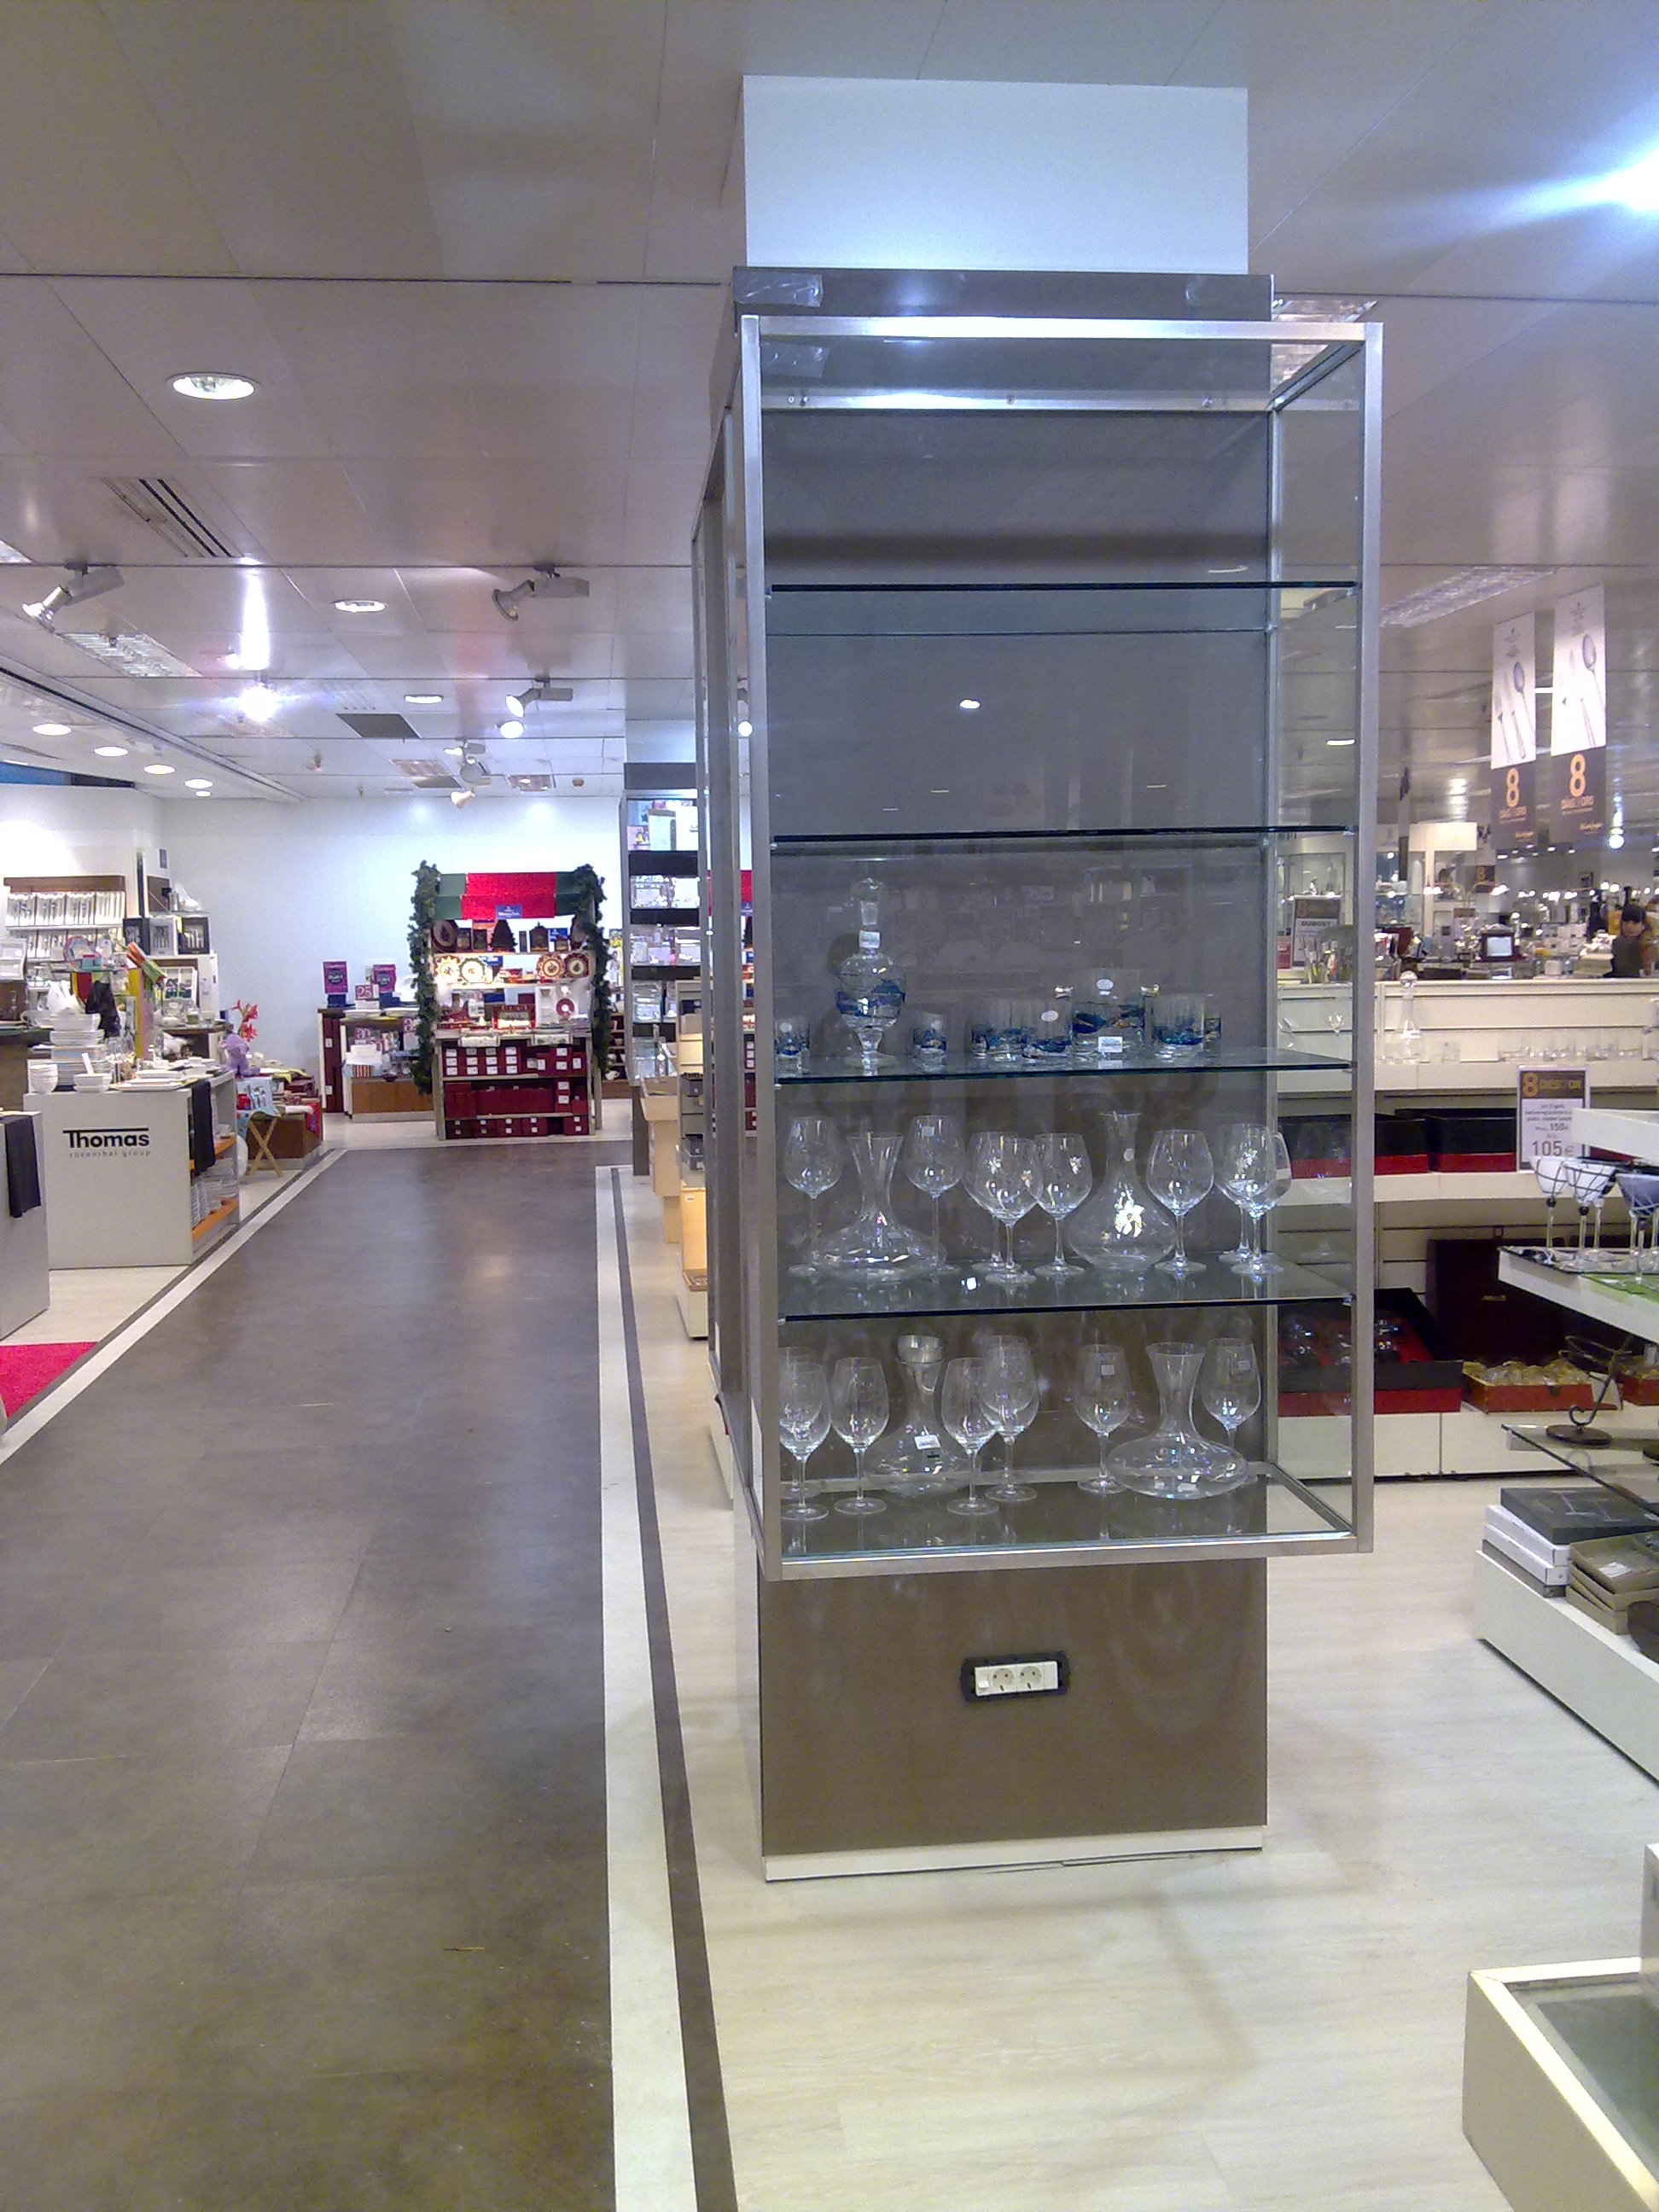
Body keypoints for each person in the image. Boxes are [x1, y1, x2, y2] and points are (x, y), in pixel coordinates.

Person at [1610, 901, 1655, 978]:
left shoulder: (1649, 945)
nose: (1629, 927)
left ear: (1643, 925)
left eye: (1635, 923)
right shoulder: (1617, 942)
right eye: (1626, 922)